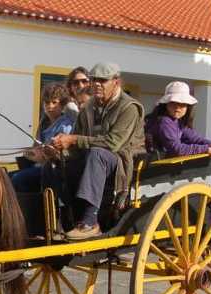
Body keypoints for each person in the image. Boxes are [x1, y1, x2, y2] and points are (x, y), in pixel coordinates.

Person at [50, 62, 146, 240]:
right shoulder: (88, 107)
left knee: (97, 154)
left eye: (102, 80)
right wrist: (58, 151)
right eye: (94, 80)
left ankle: (90, 222)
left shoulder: (129, 107)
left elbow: (113, 144)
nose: (96, 84)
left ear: (116, 82)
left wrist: (72, 139)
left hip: (121, 163)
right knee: (55, 165)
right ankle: (61, 222)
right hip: (92, 160)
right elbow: (77, 144)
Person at [12, 83, 74, 192]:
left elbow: (61, 155)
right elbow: (36, 147)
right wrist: (29, 153)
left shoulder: (66, 125)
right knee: (6, 177)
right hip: (39, 166)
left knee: (18, 179)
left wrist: (39, 155)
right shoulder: (44, 122)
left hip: (55, 170)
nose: (50, 106)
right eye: (47, 102)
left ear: (63, 105)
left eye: (54, 102)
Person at [145, 81, 211, 158]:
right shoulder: (164, 121)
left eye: (182, 104)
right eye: (173, 103)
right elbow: (177, 149)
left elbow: (195, 138)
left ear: (187, 107)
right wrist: (205, 149)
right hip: (152, 167)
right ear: (166, 104)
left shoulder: (178, 122)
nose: (178, 107)